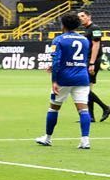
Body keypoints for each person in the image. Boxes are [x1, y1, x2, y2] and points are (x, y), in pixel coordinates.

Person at [37, 13, 93, 149]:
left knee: (54, 108)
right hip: (82, 78)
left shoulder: (58, 40)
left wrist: (54, 81)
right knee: (83, 110)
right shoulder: (84, 40)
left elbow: (56, 60)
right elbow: (80, 59)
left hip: (64, 78)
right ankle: (85, 140)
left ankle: (48, 138)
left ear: (63, 25)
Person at [79, 11, 108, 122]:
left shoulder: (95, 28)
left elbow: (96, 45)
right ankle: (90, 116)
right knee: (87, 89)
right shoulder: (87, 29)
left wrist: (91, 63)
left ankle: (105, 108)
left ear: (89, 17)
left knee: (85, 89)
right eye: (79, 17)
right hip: (89, 60)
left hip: (93, 60)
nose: (81, 18)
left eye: (83, 16)